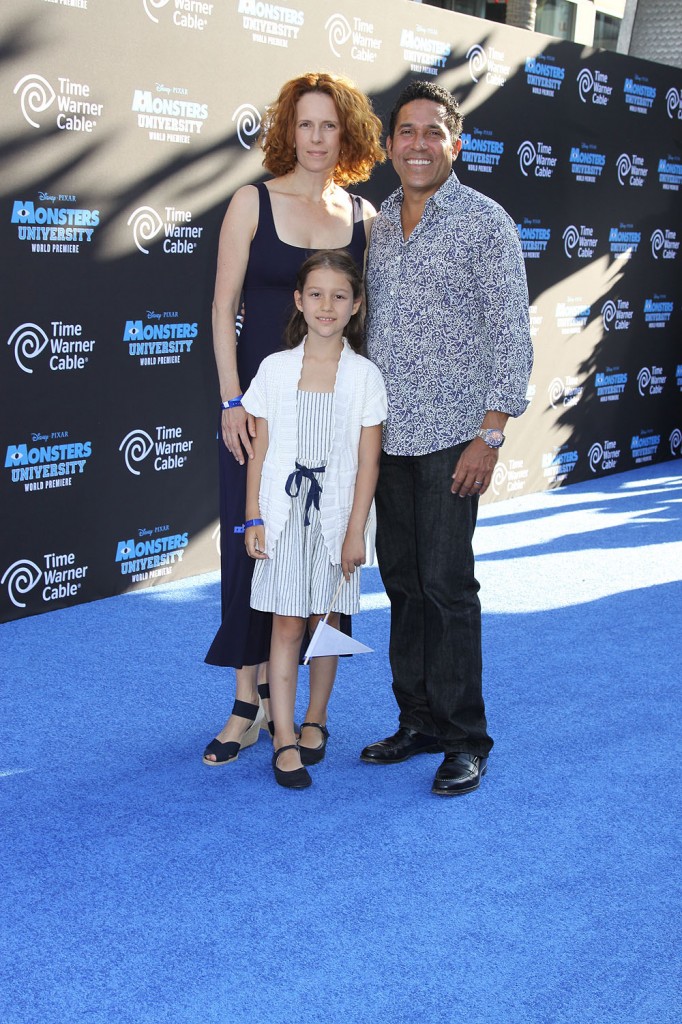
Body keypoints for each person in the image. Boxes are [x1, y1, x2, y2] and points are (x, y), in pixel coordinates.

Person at [202, 73, 384, 767]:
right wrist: (231, 401)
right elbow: (223, 307)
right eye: (305, 124)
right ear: (288, 131)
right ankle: (246, 703)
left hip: (332, 420)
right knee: (252, 548)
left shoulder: (363, 217)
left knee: (331, 562)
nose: (316, 137)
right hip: (259, 413)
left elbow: (370, 318)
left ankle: (313, 713)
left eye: (329, 125)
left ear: (347, 135)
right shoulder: (251, 202)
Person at [362, 80, 533, 796]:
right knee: (402, 586)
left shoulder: (485, 222)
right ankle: (419, 721)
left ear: (455, 144)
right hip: (385, 438)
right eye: (406, 131)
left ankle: (465, 739)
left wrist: (490, 434)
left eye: (433, 132)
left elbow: (512, 333)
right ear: (389, 146)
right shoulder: (376, 226)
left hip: (452, 439)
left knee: (447, 587)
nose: (419, 144)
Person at [241, 250, 387, 788]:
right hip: (282, 518)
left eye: (340, 296)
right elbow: (259, 452)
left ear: (356, 305)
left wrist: (355, 532)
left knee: (326, 623)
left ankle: (315, 719)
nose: (328, 306)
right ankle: (282, 736)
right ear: (299, 301)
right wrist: (253, 516)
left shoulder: (365, 376)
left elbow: (368, 463)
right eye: (317, 294)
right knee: (285, 624)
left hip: (337, 521)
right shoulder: (275, 370)